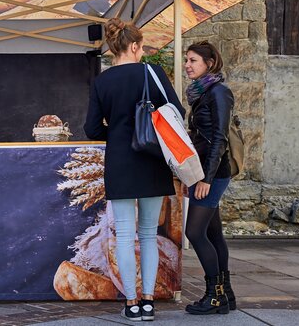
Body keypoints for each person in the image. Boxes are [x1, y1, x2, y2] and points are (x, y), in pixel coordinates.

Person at [84, 18, 184, 322]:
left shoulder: (102, 82)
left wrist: (116, 133)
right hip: (152, 160)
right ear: (136, 46)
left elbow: (90, 129)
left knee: (125, 235)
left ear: (115, 47)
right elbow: (176, 113)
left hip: (121, 163)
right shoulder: (153, 73)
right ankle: (149, 301)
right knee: (149, 234)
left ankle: (130, 302)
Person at [183, 41, 235, 315]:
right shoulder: (202, 93)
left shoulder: (219, 93)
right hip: (203, 172)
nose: (187, 65)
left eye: (193, 60)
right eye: (187, 60)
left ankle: (214, 297)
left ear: (210, 62)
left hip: (212, 174)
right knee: (213, 233)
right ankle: (226, 295)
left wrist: (205, 179)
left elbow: (219, 139)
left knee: (194, 232)